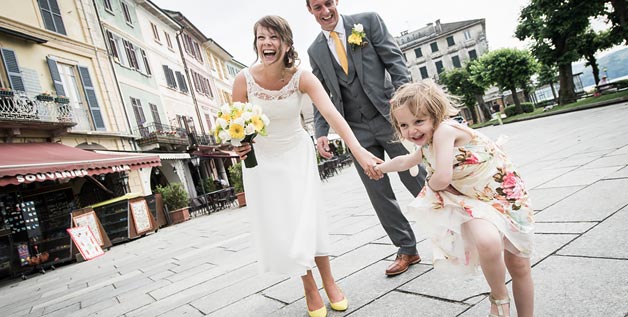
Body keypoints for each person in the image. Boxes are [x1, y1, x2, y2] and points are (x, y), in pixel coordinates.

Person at [231, 16, 382, 317]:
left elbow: (332, 114)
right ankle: (309, 285)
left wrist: (359, 151)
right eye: (261, 38)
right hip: (262, 163)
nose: (267, 44)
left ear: (286, 44)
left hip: (296, 153)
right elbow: (235, 125)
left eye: (273, 38)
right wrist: (237, 146)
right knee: (286, 225)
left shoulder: (302, 77)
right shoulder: (242, 80)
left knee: (308, 218)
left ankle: (329, 279)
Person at [373, 81, 535, 317]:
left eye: (419, 121)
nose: (411, 131)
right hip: (473, 199)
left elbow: (442, 178)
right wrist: (379, 168)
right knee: (487, 241)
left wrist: (430, 185)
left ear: (435, 114)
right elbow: (404, 161)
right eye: (404, 125)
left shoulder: (445, 131)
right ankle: (499, 298)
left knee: (519, 265)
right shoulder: (428, 143)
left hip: (504, 195)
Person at [306, 0, 427, 276]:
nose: (325, 12)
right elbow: (320, 95)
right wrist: (321, 132)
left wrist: (406, 103)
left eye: (328, 4)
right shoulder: (315, 50)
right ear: (310, 11)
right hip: (355, 130)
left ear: (336, 2)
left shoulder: (368, 21)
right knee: (378, 192)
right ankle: (407, 248)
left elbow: (395, 61)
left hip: (390, 117)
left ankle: (449, 230)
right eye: (317, 7)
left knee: (415, 177)